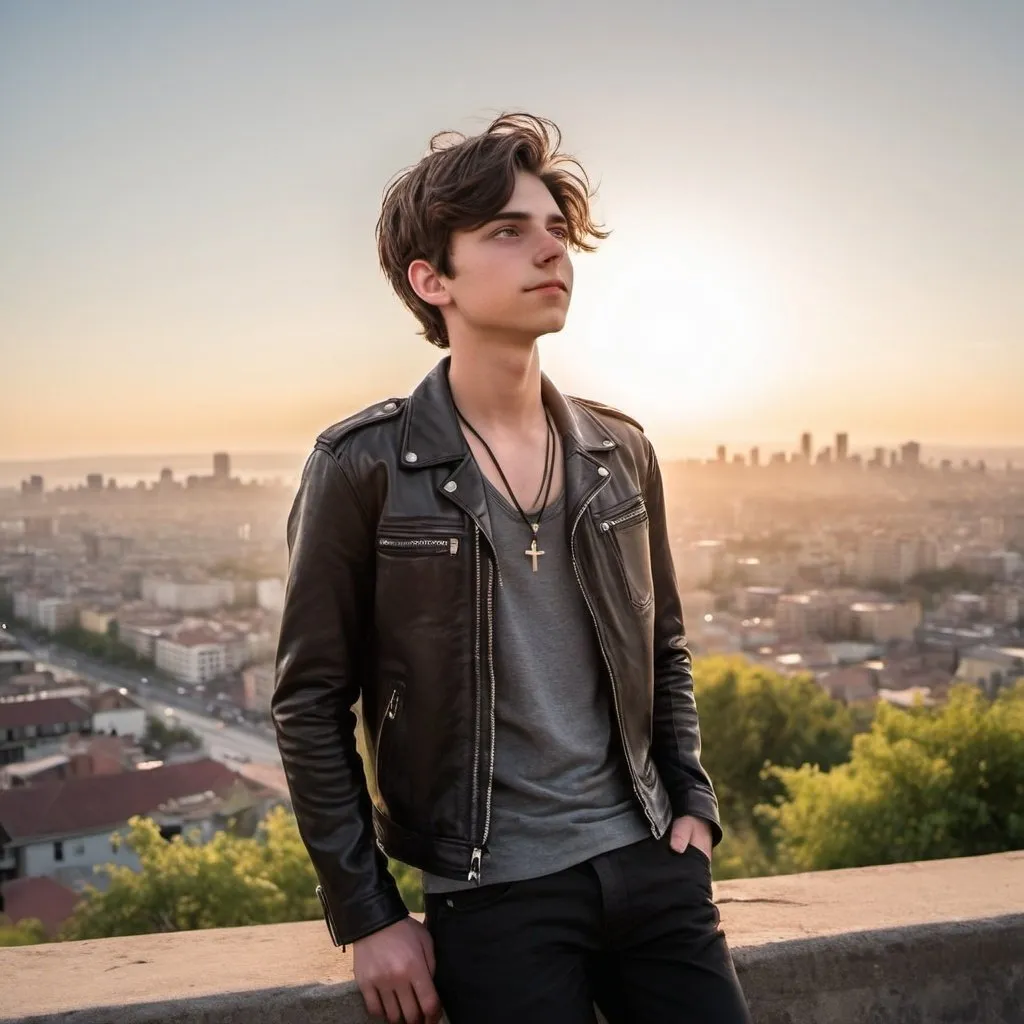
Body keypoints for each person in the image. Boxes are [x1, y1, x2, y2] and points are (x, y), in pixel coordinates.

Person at [272, 112, 751, 1024]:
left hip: (655, 865)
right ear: (430, 279)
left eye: (555, 231)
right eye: (506, 231)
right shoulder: (362, 466)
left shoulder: (621, 450)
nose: (549, 253)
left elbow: (666, 645)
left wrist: (691, 804)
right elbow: (309, 700)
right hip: (494, 892)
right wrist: (367, 913)